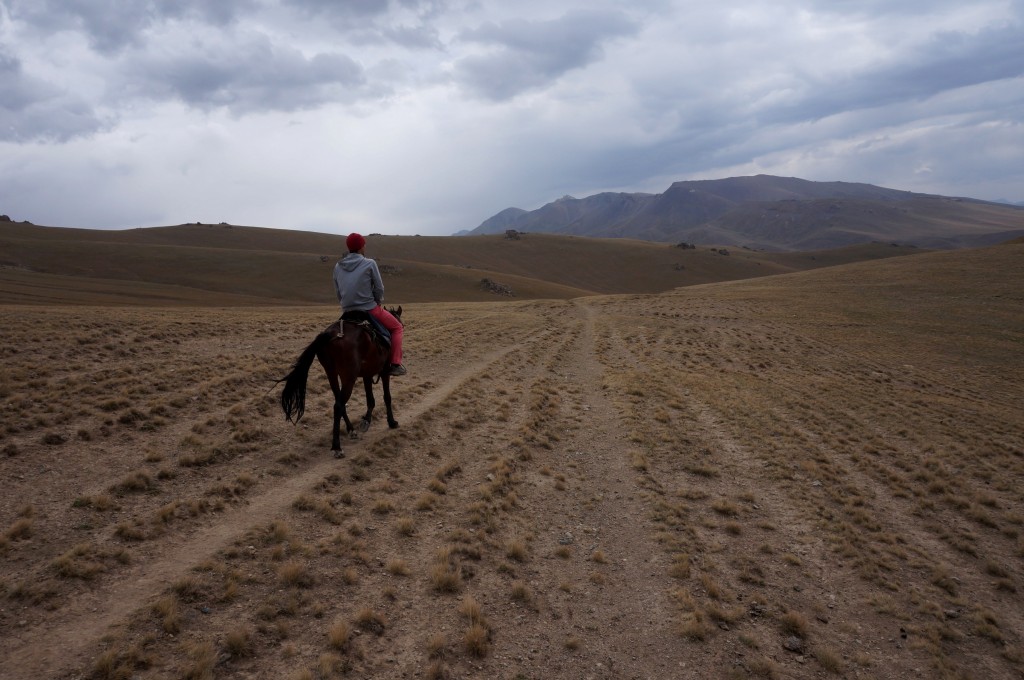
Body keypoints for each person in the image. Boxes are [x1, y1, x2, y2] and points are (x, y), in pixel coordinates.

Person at [333, 232, 406, 376]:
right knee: (397, 327)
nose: (364, 246)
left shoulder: (337, 266)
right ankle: (396, 364)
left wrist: (346, 305)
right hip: (369, 309)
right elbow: (379, 288)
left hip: (347, 311)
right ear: (361, 247)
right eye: (364, 244)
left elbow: (338, 291)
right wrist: (377, 302)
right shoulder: (369, 263)